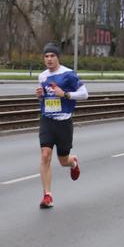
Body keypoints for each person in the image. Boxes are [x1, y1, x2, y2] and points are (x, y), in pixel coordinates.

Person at [35, 42, 88, 209]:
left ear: (58, 58)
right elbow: (45, 98)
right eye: (46, 56)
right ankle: (47, 195)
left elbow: (85, 94)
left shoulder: (69, 74)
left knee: (63, 160)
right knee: (45, 155)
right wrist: (40, 96)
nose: (49, 59)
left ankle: (73, 163)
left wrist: (65, 94)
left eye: (52, 56)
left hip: (64, 122)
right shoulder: (42, 76)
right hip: (47, 120)